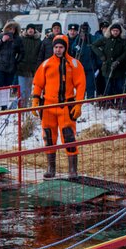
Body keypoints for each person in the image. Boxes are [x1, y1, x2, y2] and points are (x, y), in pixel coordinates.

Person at [32, 35, 87, 179]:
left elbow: (81, 85)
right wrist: (35, 100)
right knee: (49, 137)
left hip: (66, 106)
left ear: (66, 47)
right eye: (56, 47)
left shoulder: (74, 64)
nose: (58, 50)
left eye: (61, 47)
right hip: (48, 106)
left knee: (69, 137)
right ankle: (51, 168)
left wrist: (78, 104)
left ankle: (72, 170)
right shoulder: (46, 64)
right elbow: (38, 84)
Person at [0, 21, 22, 88]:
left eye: (13, 29)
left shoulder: (18, 39)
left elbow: (21, 52)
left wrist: (16, 61)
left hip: (11, 66)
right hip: (0, 65)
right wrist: (2, 41)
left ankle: (6, 98)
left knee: (8, 86)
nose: (12, 31)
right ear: (6, 28)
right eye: (10, 29)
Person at [16, 24, 41, 107]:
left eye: (32, 29)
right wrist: (18, 61)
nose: (30, 30)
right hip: (22, 68)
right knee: (22, 90)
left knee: (28, 90)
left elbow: (39, 55)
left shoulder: (38, 41)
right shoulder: (21, 39)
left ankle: (25, 108)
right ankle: (21, 108)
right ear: (26, 30)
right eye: (29, 29)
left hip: (32, 69)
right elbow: (16, 51)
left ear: (34, 30)